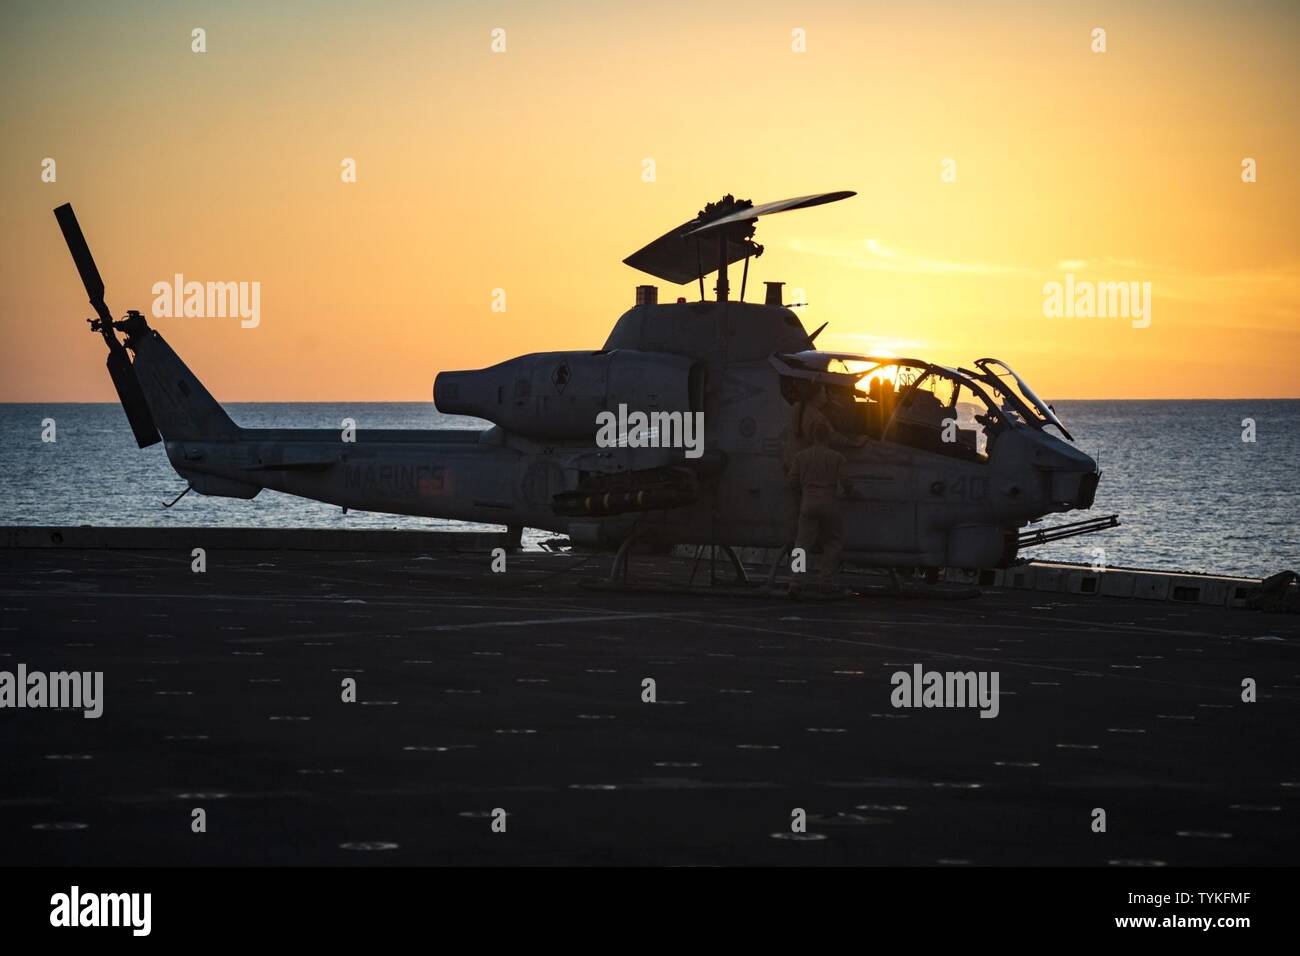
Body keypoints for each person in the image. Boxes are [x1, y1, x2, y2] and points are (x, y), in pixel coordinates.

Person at [786, 420, 849, 596]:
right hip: (830, 503)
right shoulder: (837, 458)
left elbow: (791, 482)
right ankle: (825, 582)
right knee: (832, 544)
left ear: (813, 435)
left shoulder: (801, 456)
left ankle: (795, 583)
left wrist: (801, 495)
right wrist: (849, 492)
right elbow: (846, 482)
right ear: (828, 436)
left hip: (808, 503)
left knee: (801, 545)